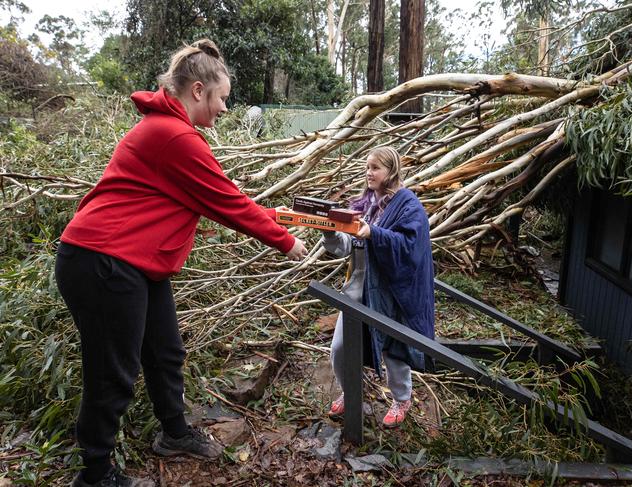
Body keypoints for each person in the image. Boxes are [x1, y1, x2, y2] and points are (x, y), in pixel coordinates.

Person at [55, 39, 308, 487]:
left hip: (132, 261)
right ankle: (94, 474)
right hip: (104, 262)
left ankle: (174, 433)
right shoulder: (173, 136)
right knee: (113, 372)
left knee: (165, 351)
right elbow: (227, 203)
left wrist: (285, 217)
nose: (225, 109)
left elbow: (220, 200)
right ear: (196, 91)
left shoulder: (167, 131)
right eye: (222, 98)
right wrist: (284, 240)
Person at [321, 146, 435, 428]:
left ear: (391, 171)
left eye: (375, 168)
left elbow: (410, 247)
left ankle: (402, 398)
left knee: (393, 351)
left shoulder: (409, 205)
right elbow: (348, 245)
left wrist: (376, 233)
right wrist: (330, 233)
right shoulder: (363, 204)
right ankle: (351, 391)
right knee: (338, 349)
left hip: (388, 291)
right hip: (357, 288)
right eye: (367, 167)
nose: (368, 173)